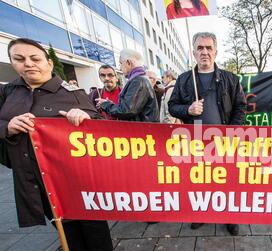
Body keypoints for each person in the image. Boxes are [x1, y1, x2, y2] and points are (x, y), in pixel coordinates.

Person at [0, 38, 113, 251]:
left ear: (49, 63)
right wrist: (7, 127)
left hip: (72, 174)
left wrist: (84, 116)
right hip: (32, 174)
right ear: (12, 63)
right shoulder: (7, 93)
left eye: (35, 58)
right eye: (20, 59)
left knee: (87, 215)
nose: (28, 64)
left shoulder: (72, 93)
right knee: (58, 217)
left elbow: (99, 123)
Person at [168, 32, 246, 235]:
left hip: (224, 142)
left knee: (227, 181)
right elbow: (172, 106)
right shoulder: (185, 79)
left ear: (216, 51)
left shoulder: (230, 79)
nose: (205, 52)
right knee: (200, 180)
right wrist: (187, 109)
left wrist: (232, 133)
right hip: (195, 142)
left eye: (209, 48)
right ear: (193, 52)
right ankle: (202, 212)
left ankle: (230, 216)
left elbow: (241, 107)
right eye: (200, 48)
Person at [97, 49, 159, 122]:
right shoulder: (139, 79)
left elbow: (126, 111)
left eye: (121, 63)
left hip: (141, 131)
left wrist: (105, 104)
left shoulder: (138, 81)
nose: (120, 68)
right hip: (143, 129)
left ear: (128, 63)